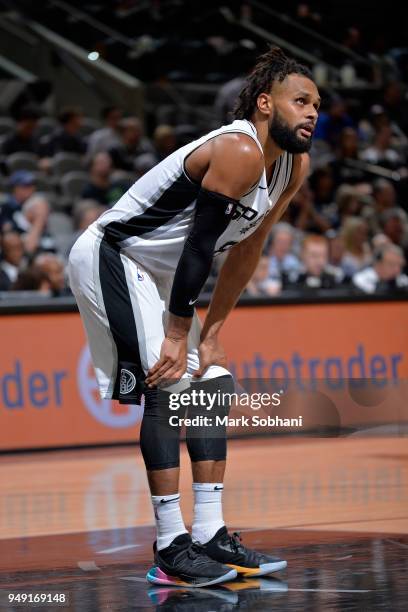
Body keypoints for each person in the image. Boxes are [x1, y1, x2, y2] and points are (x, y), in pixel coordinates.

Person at [68, 46, 319, 587]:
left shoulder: (291, 167)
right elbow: (200, 248)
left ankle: (209, 533)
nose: (312, 112)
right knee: (170, 383)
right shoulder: (238, 149)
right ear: (264, 105)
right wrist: (180, 334)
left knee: (214, 383)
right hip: (115, 255)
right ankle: (169, 547)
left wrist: (216, 336)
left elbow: (246, 250)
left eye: (317, 103)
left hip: (159, 275)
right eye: (300, 100)